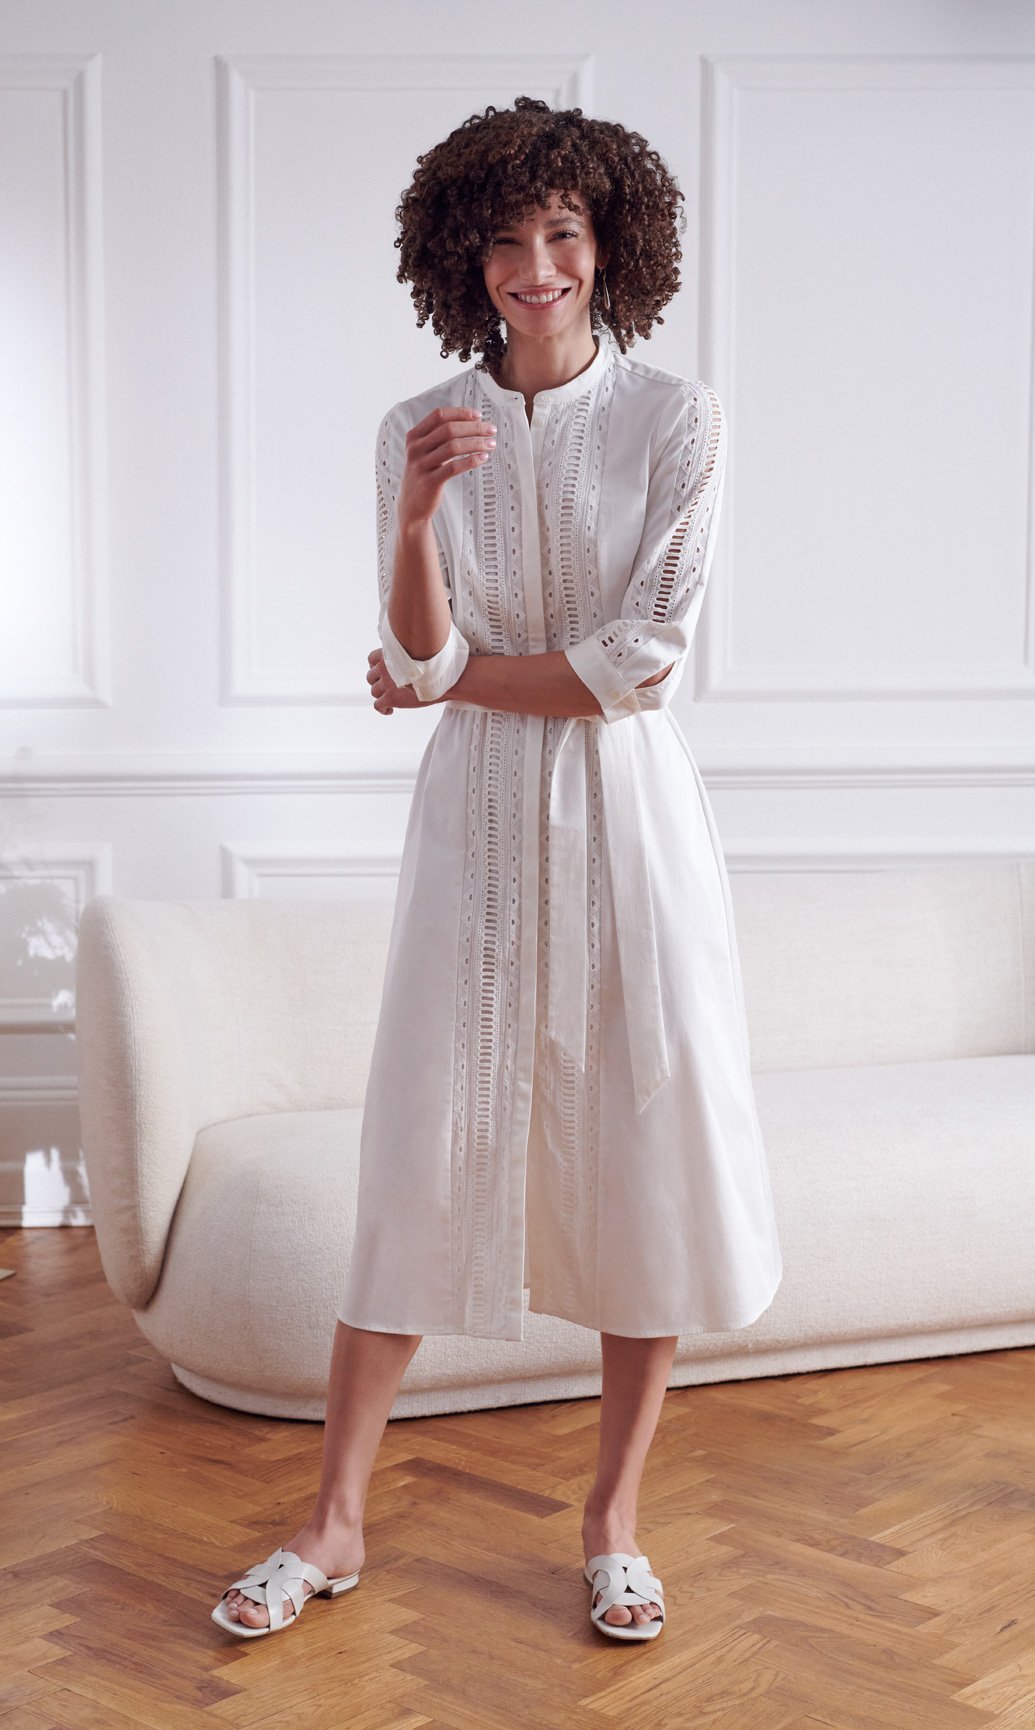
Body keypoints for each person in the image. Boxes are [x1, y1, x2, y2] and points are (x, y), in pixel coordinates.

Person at [213, 95, 782, 1644]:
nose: (539, 266)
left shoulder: (683, 422)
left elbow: (638, 664)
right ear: (465, 256)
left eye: (566, 235)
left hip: (631, 828)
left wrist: (453, 676)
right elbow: (413, 643)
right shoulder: (417, 425)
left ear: (611, 248)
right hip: (471, 831)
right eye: (511, 238)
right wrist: (416, 519)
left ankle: (612, 1522)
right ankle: (333, 1524)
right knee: (419, 1148)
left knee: (640, 1160)